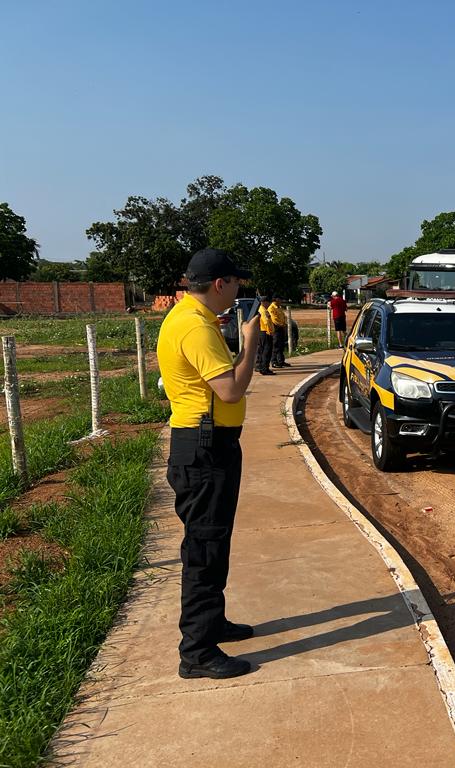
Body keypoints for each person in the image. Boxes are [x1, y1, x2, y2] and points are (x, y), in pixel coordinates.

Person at [156, 248, 259, 679]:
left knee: (212, 543)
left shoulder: (187, 318)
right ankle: (197, 651)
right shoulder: (195, 327)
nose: (237, 292)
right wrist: (251, 341)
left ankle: (211, 622)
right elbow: (231, 390)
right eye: (236, 284)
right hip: (204, 450)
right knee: (204, 549)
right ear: (220, 284)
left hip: (205, 444)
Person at [268, 296, 290, 368]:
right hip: (276, 328)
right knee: (276, 345)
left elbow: (283, 316)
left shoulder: (279, 307)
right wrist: (281, 325)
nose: (281, 301)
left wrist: (284, 324)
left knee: (281, 345)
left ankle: (281, 361)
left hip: (281, 327)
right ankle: (274, 361)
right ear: (276, 299)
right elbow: (274, 319)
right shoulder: (271, 308)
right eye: (280, 299)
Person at [255, 296, 274, 375]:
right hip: (266, 332)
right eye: (269, 302)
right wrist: (270, 332)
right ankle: (264, 368)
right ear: (265, 302)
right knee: (267, 351)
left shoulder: (261, 309)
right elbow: (267, 322)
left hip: (262, 332)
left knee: (261, 350)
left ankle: (260, 366)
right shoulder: (264, 311)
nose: (269, 304)